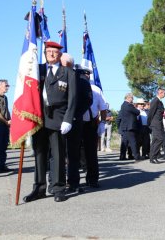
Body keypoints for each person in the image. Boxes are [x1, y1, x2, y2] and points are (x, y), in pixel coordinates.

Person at [23, 41, 76, 203]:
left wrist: (68, 119)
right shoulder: (37, 70)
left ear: (59, 55)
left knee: (58, 155)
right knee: (39, 154)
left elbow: (73, 98)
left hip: (59, 119)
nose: (51, 54)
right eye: (48, 51)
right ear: (44, 53)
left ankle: (58, 187)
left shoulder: (68, 73)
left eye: (55, 52)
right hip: (39, 117)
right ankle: (38, 188)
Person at [61, 55, 93, 193]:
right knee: (56, 154)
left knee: (73, 154)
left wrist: (74, 115)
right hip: (56, 121)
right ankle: (56, 182)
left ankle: (73, 182)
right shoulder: (54, 76)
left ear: (68, 64)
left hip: (74, 121)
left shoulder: (81, 80)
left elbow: (88, 100)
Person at [81, 74, 107, 188]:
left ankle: (92, 179)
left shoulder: (96, 89)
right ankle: (72, 180)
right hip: (77, 123)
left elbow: (103, 107)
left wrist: (102, 122)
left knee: (91, 154)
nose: (85, 76)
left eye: (87, 74)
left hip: (91, 124)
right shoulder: (74, 86)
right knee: (73, 153)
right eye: (82, 73)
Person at [116, 93, 141, 161]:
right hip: (130, 127)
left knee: (124, 143)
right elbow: (137, 112)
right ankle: (137, 156)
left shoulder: (123, 105)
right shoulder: (129, 105)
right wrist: (136, 108)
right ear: (128, 98)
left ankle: (122, 156)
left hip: (125, 127)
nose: (132, 100)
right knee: (133, 142)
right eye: (132, 98)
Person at [147, 87, 165, 163]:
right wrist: (149, 123)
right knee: (160, 139)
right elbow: (151, 113)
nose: (164, 94)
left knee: (155, 140)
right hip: (155, 123)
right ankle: (154, 156)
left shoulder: (159, 101)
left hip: (159, 123)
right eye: (164, 93)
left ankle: (152, 158)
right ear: (160, 93)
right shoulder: (155, 101)